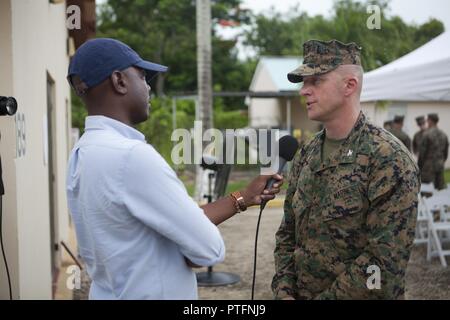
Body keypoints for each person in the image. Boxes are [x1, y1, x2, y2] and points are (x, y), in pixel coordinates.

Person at [66, 38, 283, 299]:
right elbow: (209, 250)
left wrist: (243, 197)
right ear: (119, 81)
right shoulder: (133, 156)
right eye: (143, 76)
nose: (148, 88)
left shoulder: (82, 153)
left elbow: (155, 230)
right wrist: (185, 246)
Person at [271, 39, 420, 300]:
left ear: (349, 85)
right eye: (303, 82)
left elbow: (383, 265)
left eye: (315, 81)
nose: (303, 91)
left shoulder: (388, 159)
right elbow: (287, 234)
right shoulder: (307, 152)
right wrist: (284, 292)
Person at [418, 113, 449, 190]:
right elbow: (445, 153)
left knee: (427, 192)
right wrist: (441, 161)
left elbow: (422, 154)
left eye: (427, 120)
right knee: (440, 191)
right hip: (440, 166)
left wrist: (419, 167)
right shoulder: (444, 135)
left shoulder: (426, 134)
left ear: (430, 121)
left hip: (428, 168)